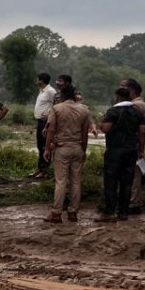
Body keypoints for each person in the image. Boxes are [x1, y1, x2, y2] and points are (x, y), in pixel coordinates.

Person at [43, 84, 93, 222]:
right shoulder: (84, 110)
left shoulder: (57, 108)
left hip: (62, 147)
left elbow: (51, 130)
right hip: (77, 147)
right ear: (74, 95)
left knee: (61, 181)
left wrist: (47, 148)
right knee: (76, 181)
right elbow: (85, 134)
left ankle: (57, 212)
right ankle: (73, 212)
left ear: (62, 95)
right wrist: (83, 150)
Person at [100, 87, 145, 221]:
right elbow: (142, 132)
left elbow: (106, 128)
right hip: (131, 149)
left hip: (115, 149)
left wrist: (101, 123)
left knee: (111, 181)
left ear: (117, 97)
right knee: (127, 182)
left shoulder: (113, 111)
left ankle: (110, 211)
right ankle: (123, 212)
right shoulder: (137, 112)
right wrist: (141, 150)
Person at [120, 78, 145, 214]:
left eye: (122, 86)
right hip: (134, 143)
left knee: (133, 175)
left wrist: (141, 148)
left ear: (131, 89)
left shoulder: (137, 106)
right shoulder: (138, 104)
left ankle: (133, 203)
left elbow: (142, 129)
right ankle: (131, 201)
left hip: (134, 143)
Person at [33, 72, 57, 178]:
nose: (36, 81)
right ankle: (40, 168)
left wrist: (50, 115)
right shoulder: (42, 91)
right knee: (40, 145)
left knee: (44, 145)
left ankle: (45, 170)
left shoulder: (50, 91)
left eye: (37, 79)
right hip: (40, 121)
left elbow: (57, 105)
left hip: (45, 122)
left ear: (42, 80)